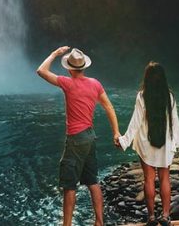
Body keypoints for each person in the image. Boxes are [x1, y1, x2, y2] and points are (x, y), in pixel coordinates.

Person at [37, 46, 120, 226]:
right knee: (93, 181)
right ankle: (99, 222)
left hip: (75, 139)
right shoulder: (95, 84)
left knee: (69, 186)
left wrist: (54, 54)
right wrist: (116, 132)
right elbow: (109, 107)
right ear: (84, 67)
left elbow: (41, 71)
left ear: (69, 68)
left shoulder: (67, 83)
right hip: (90, 136)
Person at [116, 62, 179, 226]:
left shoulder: (142, 95)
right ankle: (165, 216)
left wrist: (123, 141)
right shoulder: (169, 96)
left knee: (149, 179)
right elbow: (175, 122)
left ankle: (150, 217)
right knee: (165, 179)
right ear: (163, 78)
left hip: (146, 143)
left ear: (147, 78)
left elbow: (135, 122)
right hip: (165, 142)